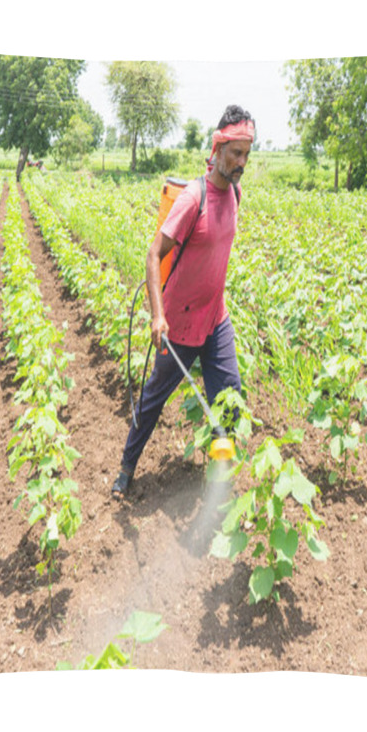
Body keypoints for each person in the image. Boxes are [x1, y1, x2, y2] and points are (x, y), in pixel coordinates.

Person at [111, 104, 255, 501]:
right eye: (235, 153)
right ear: (218, 148)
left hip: (216, 321)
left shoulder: (236, 194)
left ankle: (218, 483)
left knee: (229, 402)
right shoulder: (195, 198)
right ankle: (126, 468)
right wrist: (158, 316)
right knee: (153, 402)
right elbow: (153, 254)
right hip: (179, 325)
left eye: (247, 153)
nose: (242, 162)